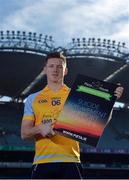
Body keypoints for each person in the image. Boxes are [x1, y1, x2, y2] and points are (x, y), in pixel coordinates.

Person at [21, 52, 124, 179]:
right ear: (44, 70)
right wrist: (39, 128)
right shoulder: (33, 98)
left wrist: (111, 102)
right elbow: (24, 133)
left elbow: (98, 123)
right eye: (51, 66)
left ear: (65, 71)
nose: (55, 70)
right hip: (42, 163)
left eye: (59, 66)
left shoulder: (76, 95)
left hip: (71, 162)